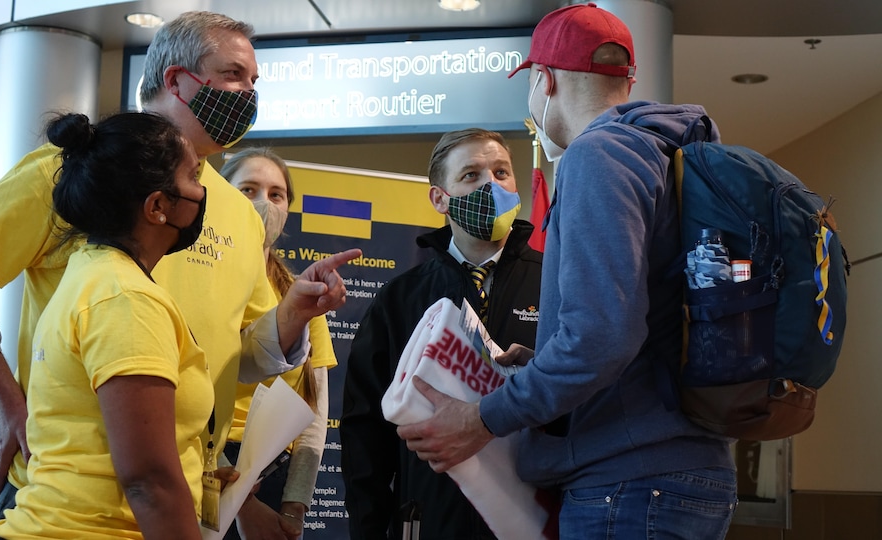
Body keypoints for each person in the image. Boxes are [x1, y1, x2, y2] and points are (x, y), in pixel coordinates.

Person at [0, 11, 359, 538]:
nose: (249, 93)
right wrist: (10, 402)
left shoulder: (234, 210)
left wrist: (293, 314)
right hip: (69, 493)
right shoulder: (75, 169)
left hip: (181, 496)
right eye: (234, 75)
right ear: (176, 79)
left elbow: (233, 357)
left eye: (254, 81)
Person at [395, 5, 738, 539]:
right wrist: (544, 360)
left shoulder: (596, 156)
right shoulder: (664, 154)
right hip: (677, 470)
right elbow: (645, 327)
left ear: (544, 80)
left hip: (628, 483)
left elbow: (601, 339)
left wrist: (482, 418)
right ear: (627, 79)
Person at [0, 111, 211, 539]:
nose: (202, 192)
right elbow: (150, 482)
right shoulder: (125, 299)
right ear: (157, 207)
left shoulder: (88, 271)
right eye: (194, 176)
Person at [340, 128, 543, 539]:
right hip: (430, 520)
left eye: (501, 172)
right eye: (471, 175)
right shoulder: (400, 299)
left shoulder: (556, 280)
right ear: (439, 199)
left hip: (532, 517)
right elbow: (365, 434)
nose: (491, 184)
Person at [220, 147, 337, 540]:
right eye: (247, 190)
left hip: (274, 470)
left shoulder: (300, 292)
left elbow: (314, 410)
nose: (262, 204)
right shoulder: (199, 280)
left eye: (276, 195)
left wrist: (295, 505)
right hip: (209, 466)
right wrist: (237, 500)